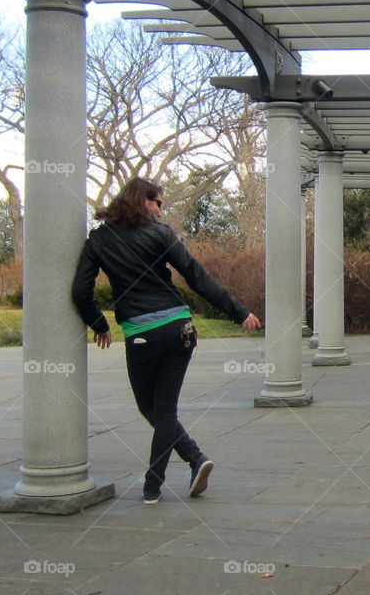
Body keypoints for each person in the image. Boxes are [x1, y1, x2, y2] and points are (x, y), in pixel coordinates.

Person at [72, 178, 261, 503]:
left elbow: (80, 291)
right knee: (164, 411)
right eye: (157, 202)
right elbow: (196, 276)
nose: (160, 210)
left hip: (143, 334)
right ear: (140, 201)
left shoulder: (99, 241)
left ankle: (155, 483)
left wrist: (98, 322)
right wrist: (239, 312)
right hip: (180, 329)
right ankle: (192, 461)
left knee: (154, 410)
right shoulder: (160, 234)